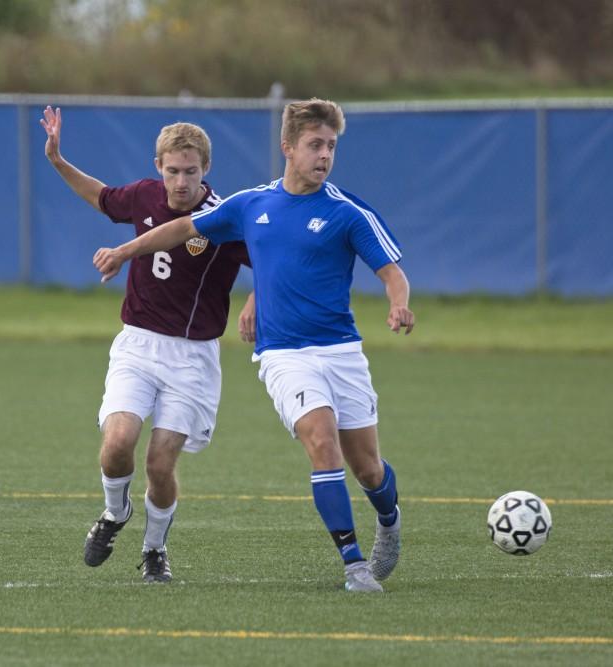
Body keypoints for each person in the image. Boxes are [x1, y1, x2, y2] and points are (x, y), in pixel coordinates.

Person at [93, 98, 414, 592]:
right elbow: (180, 230)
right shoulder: (252, 204)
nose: (324, 155)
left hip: (341, 351)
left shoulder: (348, 212)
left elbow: (391, 272)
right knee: (321, 443)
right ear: (288, 147)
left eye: (330, 146)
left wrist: (397, 303)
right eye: (314, 145)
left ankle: (388, 522)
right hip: (283, 354)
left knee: (368, 467)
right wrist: (123, 250)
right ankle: (353, 565)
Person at [40, 106, 252, 583]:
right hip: (137, 345)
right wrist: (56, 158)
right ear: (158, 166)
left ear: (206, 170)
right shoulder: (143, 196)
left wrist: (255, 300)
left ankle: (155, 550)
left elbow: (271, 257)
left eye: (190, 172)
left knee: (160, 463)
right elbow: (101, 196)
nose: (181, 182)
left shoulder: (221, 218)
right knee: (117, 444)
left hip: (193, 357)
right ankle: (115, 514)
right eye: (173, 170)